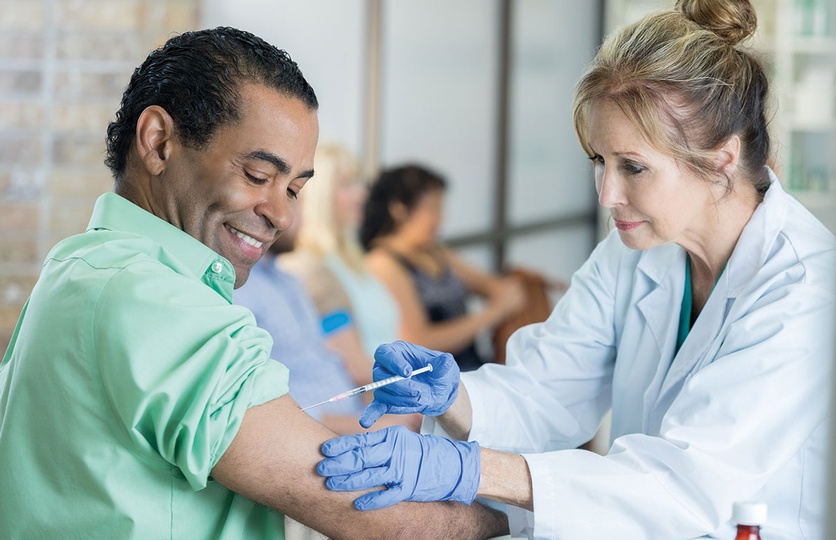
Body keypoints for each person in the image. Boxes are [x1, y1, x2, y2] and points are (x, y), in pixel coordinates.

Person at [317, 2, 836, 539]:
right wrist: (457, 399)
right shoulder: (639, 249)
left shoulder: (805, 290)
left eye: (633, 166)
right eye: (598, 161)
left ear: (722, 159)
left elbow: (683, 485)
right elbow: (548, 389)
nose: (608, 195)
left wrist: (469, 469)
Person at [0, 27, 505, 539]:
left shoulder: (78, 262)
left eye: (293, 188)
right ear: (158, 142)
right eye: (258, 175)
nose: (282, 214)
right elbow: (376, 516)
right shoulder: (159, 305)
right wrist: (538, 514)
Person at [233, 199, 421, 436]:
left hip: (357, 414)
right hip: (324, 434)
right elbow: (259, 410)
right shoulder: (305, 274)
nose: (291, 217)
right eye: (293, 200)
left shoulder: (289, 281)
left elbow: (332, 360)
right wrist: (375, 422)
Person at [360, 164, 526, 372]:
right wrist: (491, 314)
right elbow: (417, 341)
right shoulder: (382, 263)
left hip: (471, 369)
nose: (441, 218)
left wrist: (520, 284)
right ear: (399, 209)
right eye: (433, 208)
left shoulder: (436, 252)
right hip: (433, 384)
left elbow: (494, 288)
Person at [280, 143, 399, 387]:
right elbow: (355, 367)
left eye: (358, 183)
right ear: (318, 194)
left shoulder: (356, 260)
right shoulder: (310, 269)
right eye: (347, 184)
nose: (362, 194)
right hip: (373, 400)